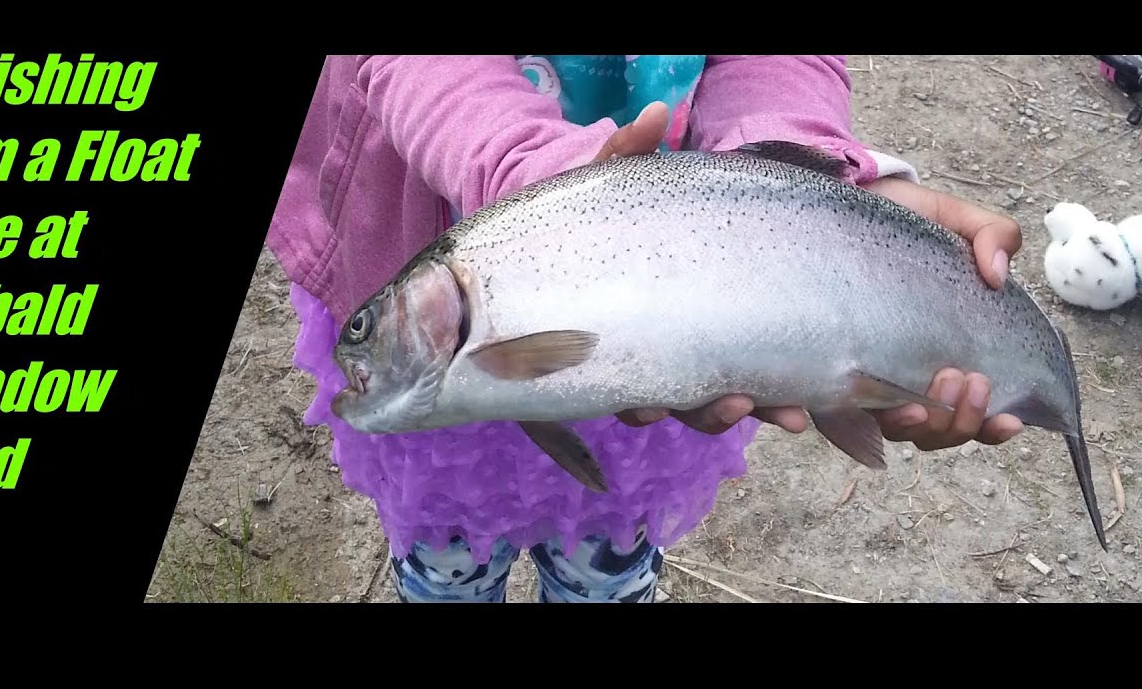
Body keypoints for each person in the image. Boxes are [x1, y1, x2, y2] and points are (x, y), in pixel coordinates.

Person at [268, 55, 1025, 603]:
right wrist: (535, 171)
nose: (365, 343)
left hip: (678, 301)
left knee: (610, 536)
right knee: (447, 543)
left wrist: (788, 169)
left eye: (372, 331)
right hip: (414, 217)